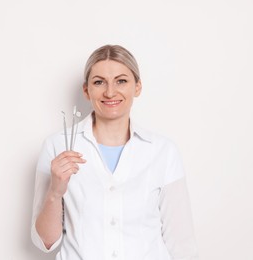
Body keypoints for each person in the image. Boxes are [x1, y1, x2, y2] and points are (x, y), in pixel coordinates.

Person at [31, 45, 199, 260]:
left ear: (137, 87)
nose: (110, 92)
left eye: (121, 81)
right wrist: (55, 192)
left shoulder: (163, 152)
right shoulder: (57, 146)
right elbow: (44, 242)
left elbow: (182, 243)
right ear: (86, 90)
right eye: (99, 82)